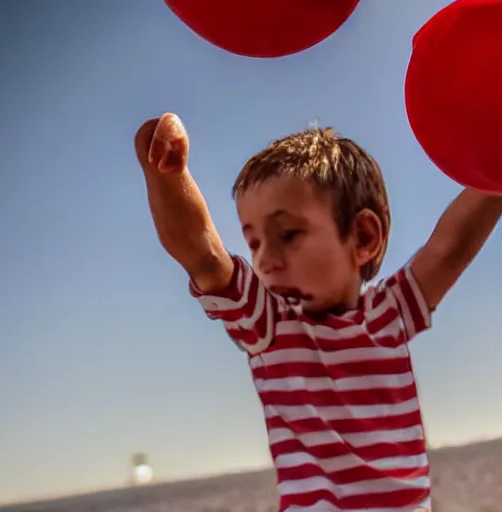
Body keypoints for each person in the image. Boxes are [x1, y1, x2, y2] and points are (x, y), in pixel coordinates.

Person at [134, 112, 502, 511]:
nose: (265, 261)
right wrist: (168, 177)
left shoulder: (389, 313)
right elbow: (203, 256)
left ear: (363, 237)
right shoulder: (270, 325)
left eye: (288, 235)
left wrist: (495, 165)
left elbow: (451, 248)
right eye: (254, 243)